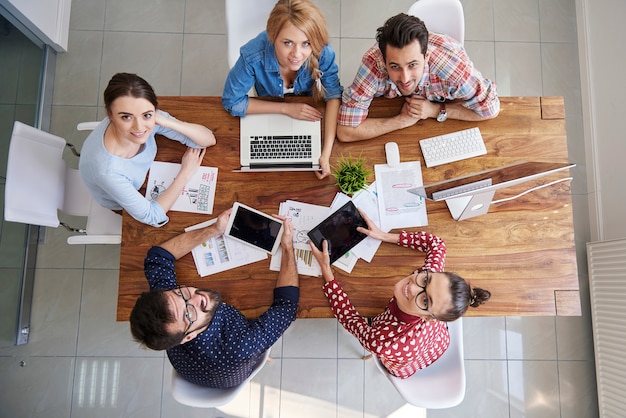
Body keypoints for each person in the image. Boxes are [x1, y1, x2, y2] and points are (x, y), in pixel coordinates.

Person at [309, 210, 490, 378]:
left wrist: (326, 269)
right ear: (434, 273)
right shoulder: (430, 274)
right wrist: (383, 235)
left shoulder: (382, 341)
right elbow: (437, 245)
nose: (412, 288)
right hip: (439, 342)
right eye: (426, 280)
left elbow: (349, 319)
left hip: (403, 364)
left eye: (425, 300)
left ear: (429, 318)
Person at [129, 208, 298, 388]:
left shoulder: (168, 309)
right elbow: (286, 308)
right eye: (189, 314)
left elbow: (158, 257)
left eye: (181, 293)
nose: (198, 298)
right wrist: (287, 247)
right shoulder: (240, 345)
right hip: (230, 371)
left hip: (192, 371)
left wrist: (215, 228)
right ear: (187, 337)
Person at [222, 0, 342, 179]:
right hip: (269, 103)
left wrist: (325, 155)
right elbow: (232, 102)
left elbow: (333, 95)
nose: (297, 54)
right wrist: (286, 109)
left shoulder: (322, 50)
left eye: (305, 43)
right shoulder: (253, 56)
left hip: (306, 108)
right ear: (272, 36)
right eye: (287, 43)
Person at [79, 72, 216, 227]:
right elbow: (152, 216)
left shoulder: (149, 117)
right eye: (126, 117)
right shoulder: (108, 171)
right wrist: (185, 173)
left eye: (147, 115)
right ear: (110, 115)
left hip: (145, 174)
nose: (139, 127)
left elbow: (208, 139)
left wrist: (168, 122)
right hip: (119, 197)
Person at [337, 13, 500, 143]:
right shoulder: (374, 63)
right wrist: (401, 121)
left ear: (426, 56)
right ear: (384, 60)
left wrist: (436, 110)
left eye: (412, 65)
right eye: (394, 66)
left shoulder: (455, 72)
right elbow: (345, 131)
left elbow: (491, 111)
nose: (405, 78)